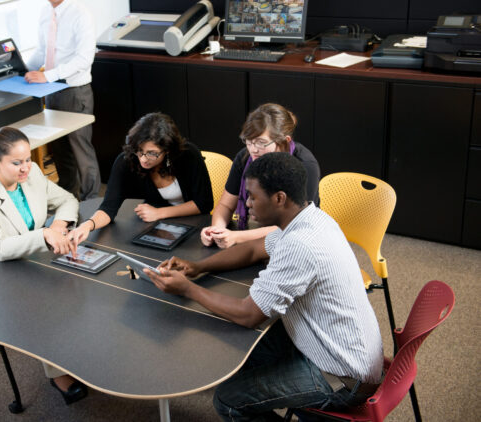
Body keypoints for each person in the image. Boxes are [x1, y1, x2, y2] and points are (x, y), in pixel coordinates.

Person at [145, 153, 383, 421]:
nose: (246, 203)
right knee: (240, 356)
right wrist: (198, 267)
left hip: (341, 376)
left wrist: (188, 289)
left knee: (228, 401)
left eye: (253, 196)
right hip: (342, 349)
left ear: (279, 198)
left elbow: (249, 314)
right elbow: (254, 250)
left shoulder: (300, 245)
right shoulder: (309, 219)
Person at [0, 127, 88, 405]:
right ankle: (58, 373)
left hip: (21, 260)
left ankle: (74, 357)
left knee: (74, 286)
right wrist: (44, 235)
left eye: (28, 159)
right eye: (17, 162)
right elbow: (0, 248)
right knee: (43, 303)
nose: (26, 167)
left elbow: (67, 200)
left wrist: (58, 225)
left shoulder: (32, 173)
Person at [69, 112, 213, 244]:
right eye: (139, 150)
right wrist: (87, 225)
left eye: (152, 153)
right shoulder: (127, 160)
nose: (143, 159)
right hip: (159, 227)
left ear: (167, 150)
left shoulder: (188, 156)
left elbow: (204, 204)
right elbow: (108, 207)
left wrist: (159, 213)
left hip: (195, 225)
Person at [201, 103, 320, 249]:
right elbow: (225, 205)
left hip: (295, 239)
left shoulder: (305, 165)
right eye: (249, 142)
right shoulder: (245, 157)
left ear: (285, 141)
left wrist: (236, 237)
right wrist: (216, 231)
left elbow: (292, 225)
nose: (253, 149)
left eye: (261, 143)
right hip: (253, 232)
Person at [24, 0, 101, 201]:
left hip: (75, 91)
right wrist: (21, 70)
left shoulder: (80, 13)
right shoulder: (46, 11)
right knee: (59, 151)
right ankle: (69, 199)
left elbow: (84, 59)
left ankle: (91, 202)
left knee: (80, 151)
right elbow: (43, 51)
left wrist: (48, 76)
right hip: (51, 91)